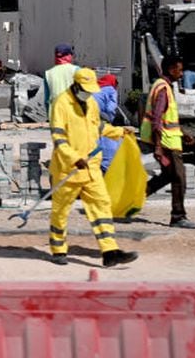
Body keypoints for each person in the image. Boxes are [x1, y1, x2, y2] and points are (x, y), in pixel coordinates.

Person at [47, 67, 139, 268]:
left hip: (91, 168)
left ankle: (110, 251)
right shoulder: (61, 104)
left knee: (102, 205)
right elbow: (58, 138)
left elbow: (98, 128)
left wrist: (119, 131)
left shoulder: (91, 103)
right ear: (76, 85)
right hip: (67, 170)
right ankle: (58, 250)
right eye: (85, 89)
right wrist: (74, 158)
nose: (88, 93)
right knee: (61, 210)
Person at [141, 54, 195, 229]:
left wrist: (183, 133)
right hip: (167, 143)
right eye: (179, 70)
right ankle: (178, 216)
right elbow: (157, 119)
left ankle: (133, 199)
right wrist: (158, 146)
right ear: (171, 69)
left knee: (168, 175)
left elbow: (166, 118)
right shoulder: (164, 89)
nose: (181, 74)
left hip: (168, 139)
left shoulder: (160, 86)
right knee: (179, 178)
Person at [94, 73, 121, 173]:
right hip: (102, 120)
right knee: (109, 146)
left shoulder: (94, 89)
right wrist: (110, 119)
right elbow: (110, 108)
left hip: (89, 120)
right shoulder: (111, 90)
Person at [42, 43, 79, 111]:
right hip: (73, 113)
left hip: (55, 115)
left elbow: (47, 100)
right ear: (69, 56)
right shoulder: (77, 70)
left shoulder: (48, 73)